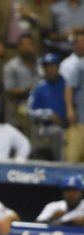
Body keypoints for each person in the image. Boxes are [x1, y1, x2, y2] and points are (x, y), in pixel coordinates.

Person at [28, 53, 67, 161]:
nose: (50, 69)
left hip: (70, 125)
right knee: (56, 131)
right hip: (47, 127)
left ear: (58, 67)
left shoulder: (66, 84)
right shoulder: (39, 87)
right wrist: (48, 114)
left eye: (53, 66)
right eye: (47, 66)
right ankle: (59, 165)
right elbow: (31, 111)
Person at [61, 31, 84, 163]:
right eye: (79, 42)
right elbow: (69, 87)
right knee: (72, 159)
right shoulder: (78, 65)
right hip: (80, 121)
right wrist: (70, 109)